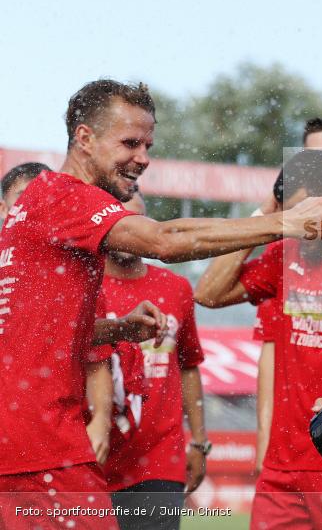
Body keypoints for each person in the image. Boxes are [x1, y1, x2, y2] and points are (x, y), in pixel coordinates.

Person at [0, 79, 322, 529]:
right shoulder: (65, 195)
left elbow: (35, 332)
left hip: (28, 440)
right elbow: (165, 239)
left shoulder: (40, 204)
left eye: (148, 144)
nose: (143, 158)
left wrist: (117, 331)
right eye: (130, 142)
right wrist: (287, 222)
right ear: (84, 137)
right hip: (41, 444)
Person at [195, 150, 322, 530]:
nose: (300, 226)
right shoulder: (282, 254)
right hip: (283, 466)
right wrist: (266, 218)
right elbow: (208, 292)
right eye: (291, 214)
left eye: (307, 214)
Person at [86, 192, 207, 530]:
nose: (128, 231)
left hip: (159, 460)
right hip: (96, 458)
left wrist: (198, 441)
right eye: (119, 223)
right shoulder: (84, 286)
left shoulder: (177, 288)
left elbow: (188, 365)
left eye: (136, 223)